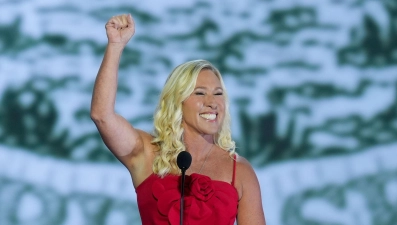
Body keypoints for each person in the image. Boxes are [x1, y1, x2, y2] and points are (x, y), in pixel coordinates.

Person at [91, 14, 266, 225]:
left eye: (218, 93)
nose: (212, 102)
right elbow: (102, 116)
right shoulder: (146, 153)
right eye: (200, 93)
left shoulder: (240, 171)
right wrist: (115, 46)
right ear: (178, 102)